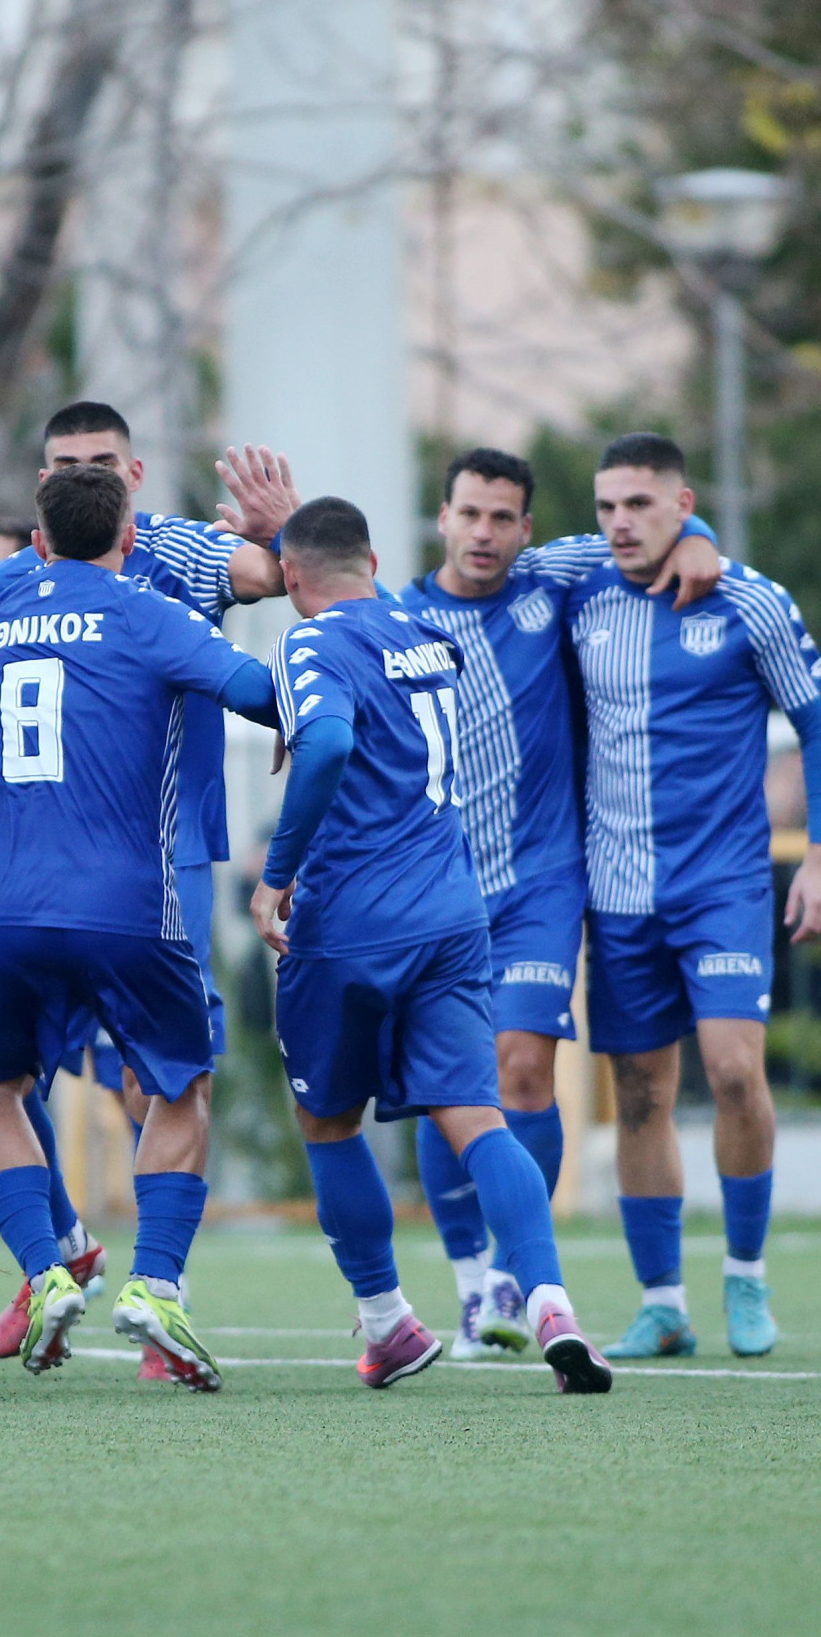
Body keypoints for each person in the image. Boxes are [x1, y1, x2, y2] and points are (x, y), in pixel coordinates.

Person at [0, 461, 283, 1392]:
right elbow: (258, 689)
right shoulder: (147, 610)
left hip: (8, 913)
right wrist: (293, 723)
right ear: (131, 539)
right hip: (130, 909)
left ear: (36, 542)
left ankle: (42, 1270)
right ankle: (156, 1282)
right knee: (179, 1086)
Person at [250, 495, 611, 1394]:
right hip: (453, 914)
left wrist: (276, 870)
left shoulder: (307, 641)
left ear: (291, 579)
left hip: (349, 923)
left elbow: (328, 744)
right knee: (478, 1118)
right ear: (373, 559)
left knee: (329, 1122)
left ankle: (388, 1324)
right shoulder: (424, 635)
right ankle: (549, 1298)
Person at [399, 448, 720, 1359]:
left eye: (504, 518)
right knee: (447, 1087)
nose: (486, 533)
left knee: (526, 1071)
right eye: (471, 515)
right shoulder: (403, 619)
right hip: (438, 886)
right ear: (443, 517)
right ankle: (469, 1289)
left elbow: (645, 527)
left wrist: (697, 536)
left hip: (542, 880)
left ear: (528, 529)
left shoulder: (555, 577)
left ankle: (509, 1271)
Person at [567, 433, 821, 1359]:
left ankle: (748, 1280)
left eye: (639, 504)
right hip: (617, 888)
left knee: (733, 1071)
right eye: (606, 506)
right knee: (640, 1091)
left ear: (683, 505)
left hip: (722, 880)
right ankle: (663, 1302)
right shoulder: (581, 594)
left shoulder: (749, 600)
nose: (619, 523)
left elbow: (820, 729)